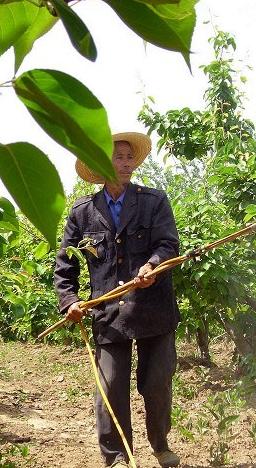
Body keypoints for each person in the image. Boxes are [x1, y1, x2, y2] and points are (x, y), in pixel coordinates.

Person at [54, 132, 181, 468]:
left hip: (153, 309)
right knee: (109, 389)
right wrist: (69, 301)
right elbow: (65, 263)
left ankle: (161, 443)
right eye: (117, 158)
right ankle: (116, 457)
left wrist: (152, 265)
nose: (125, 164)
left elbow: (168, 245)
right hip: (108, 312)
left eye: (129, 158)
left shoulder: (154, 201)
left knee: (156, 384)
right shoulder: (83, 212)